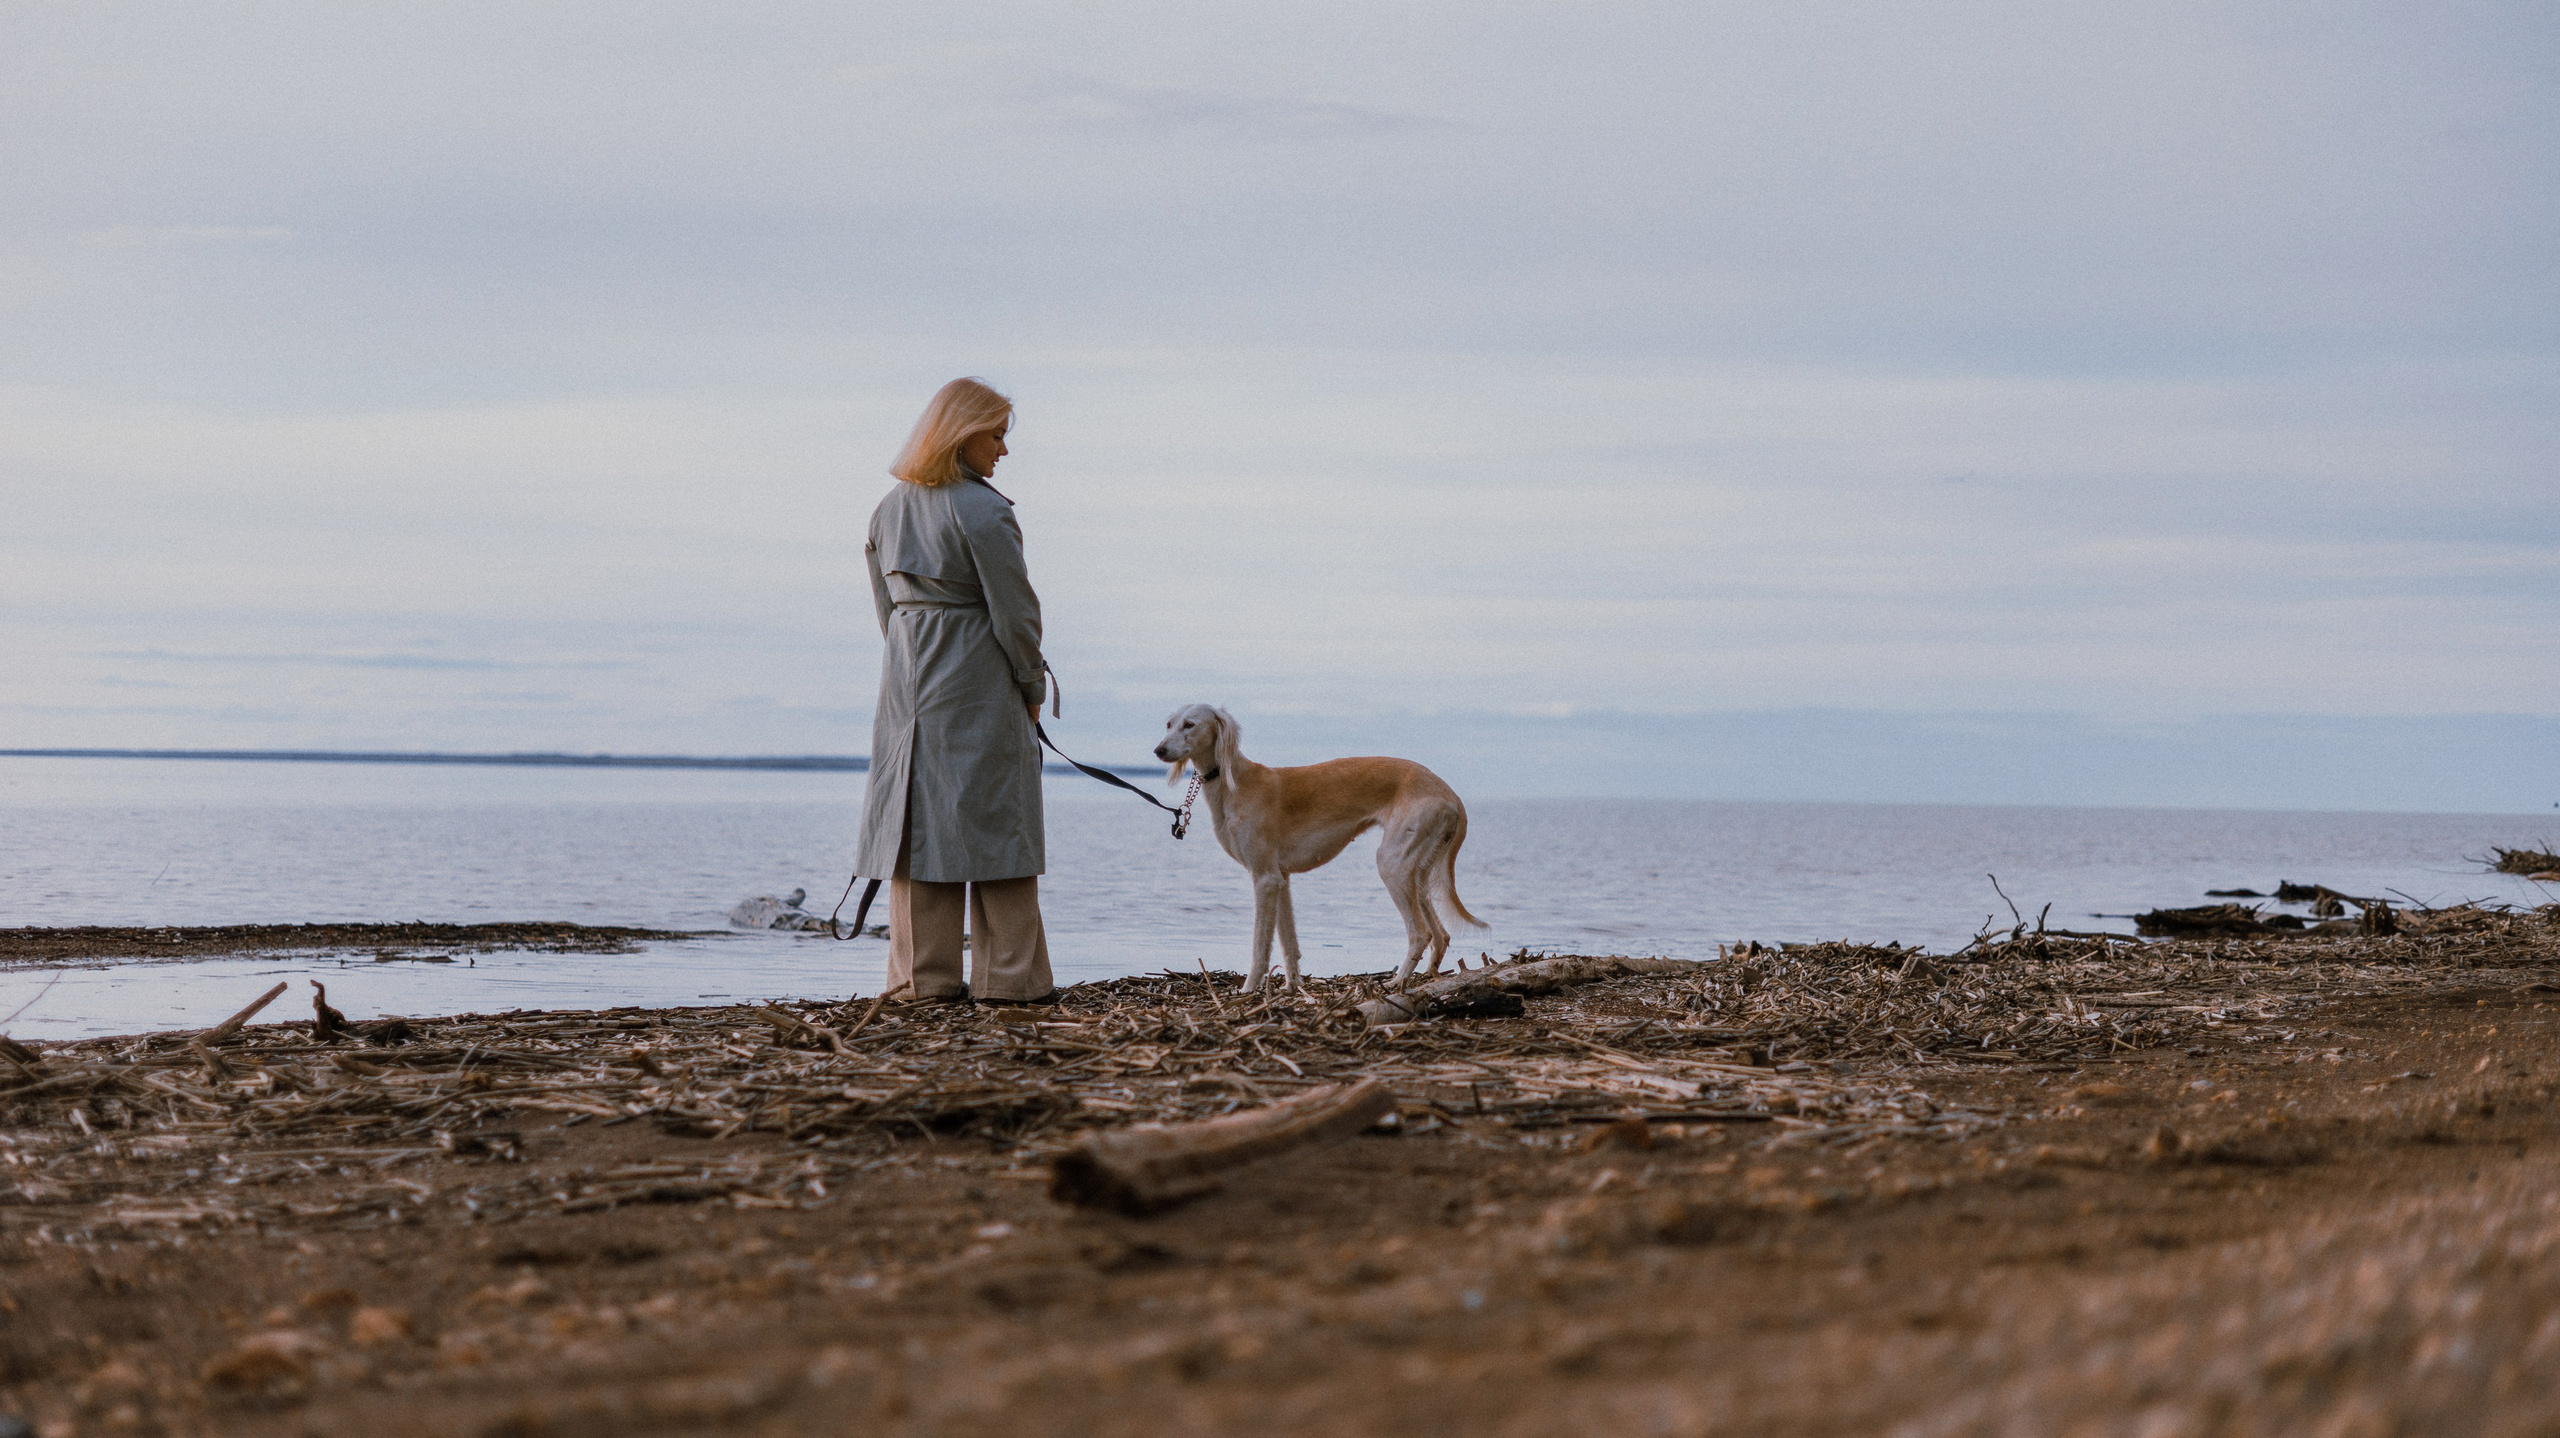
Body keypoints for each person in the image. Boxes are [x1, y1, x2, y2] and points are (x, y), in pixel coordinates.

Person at [853, 377, 1055, 1004]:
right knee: (997, 819)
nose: (1002, 449)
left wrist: (914, 661)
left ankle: (922, 982)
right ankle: (1010, 982)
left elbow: (886, 609)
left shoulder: (888, 508)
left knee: (917, 828)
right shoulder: (985, 510)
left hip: (906, 678)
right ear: (963, 436)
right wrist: (1029, 683)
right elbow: (1016, 613)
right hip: (976, 673)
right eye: (995, 435)